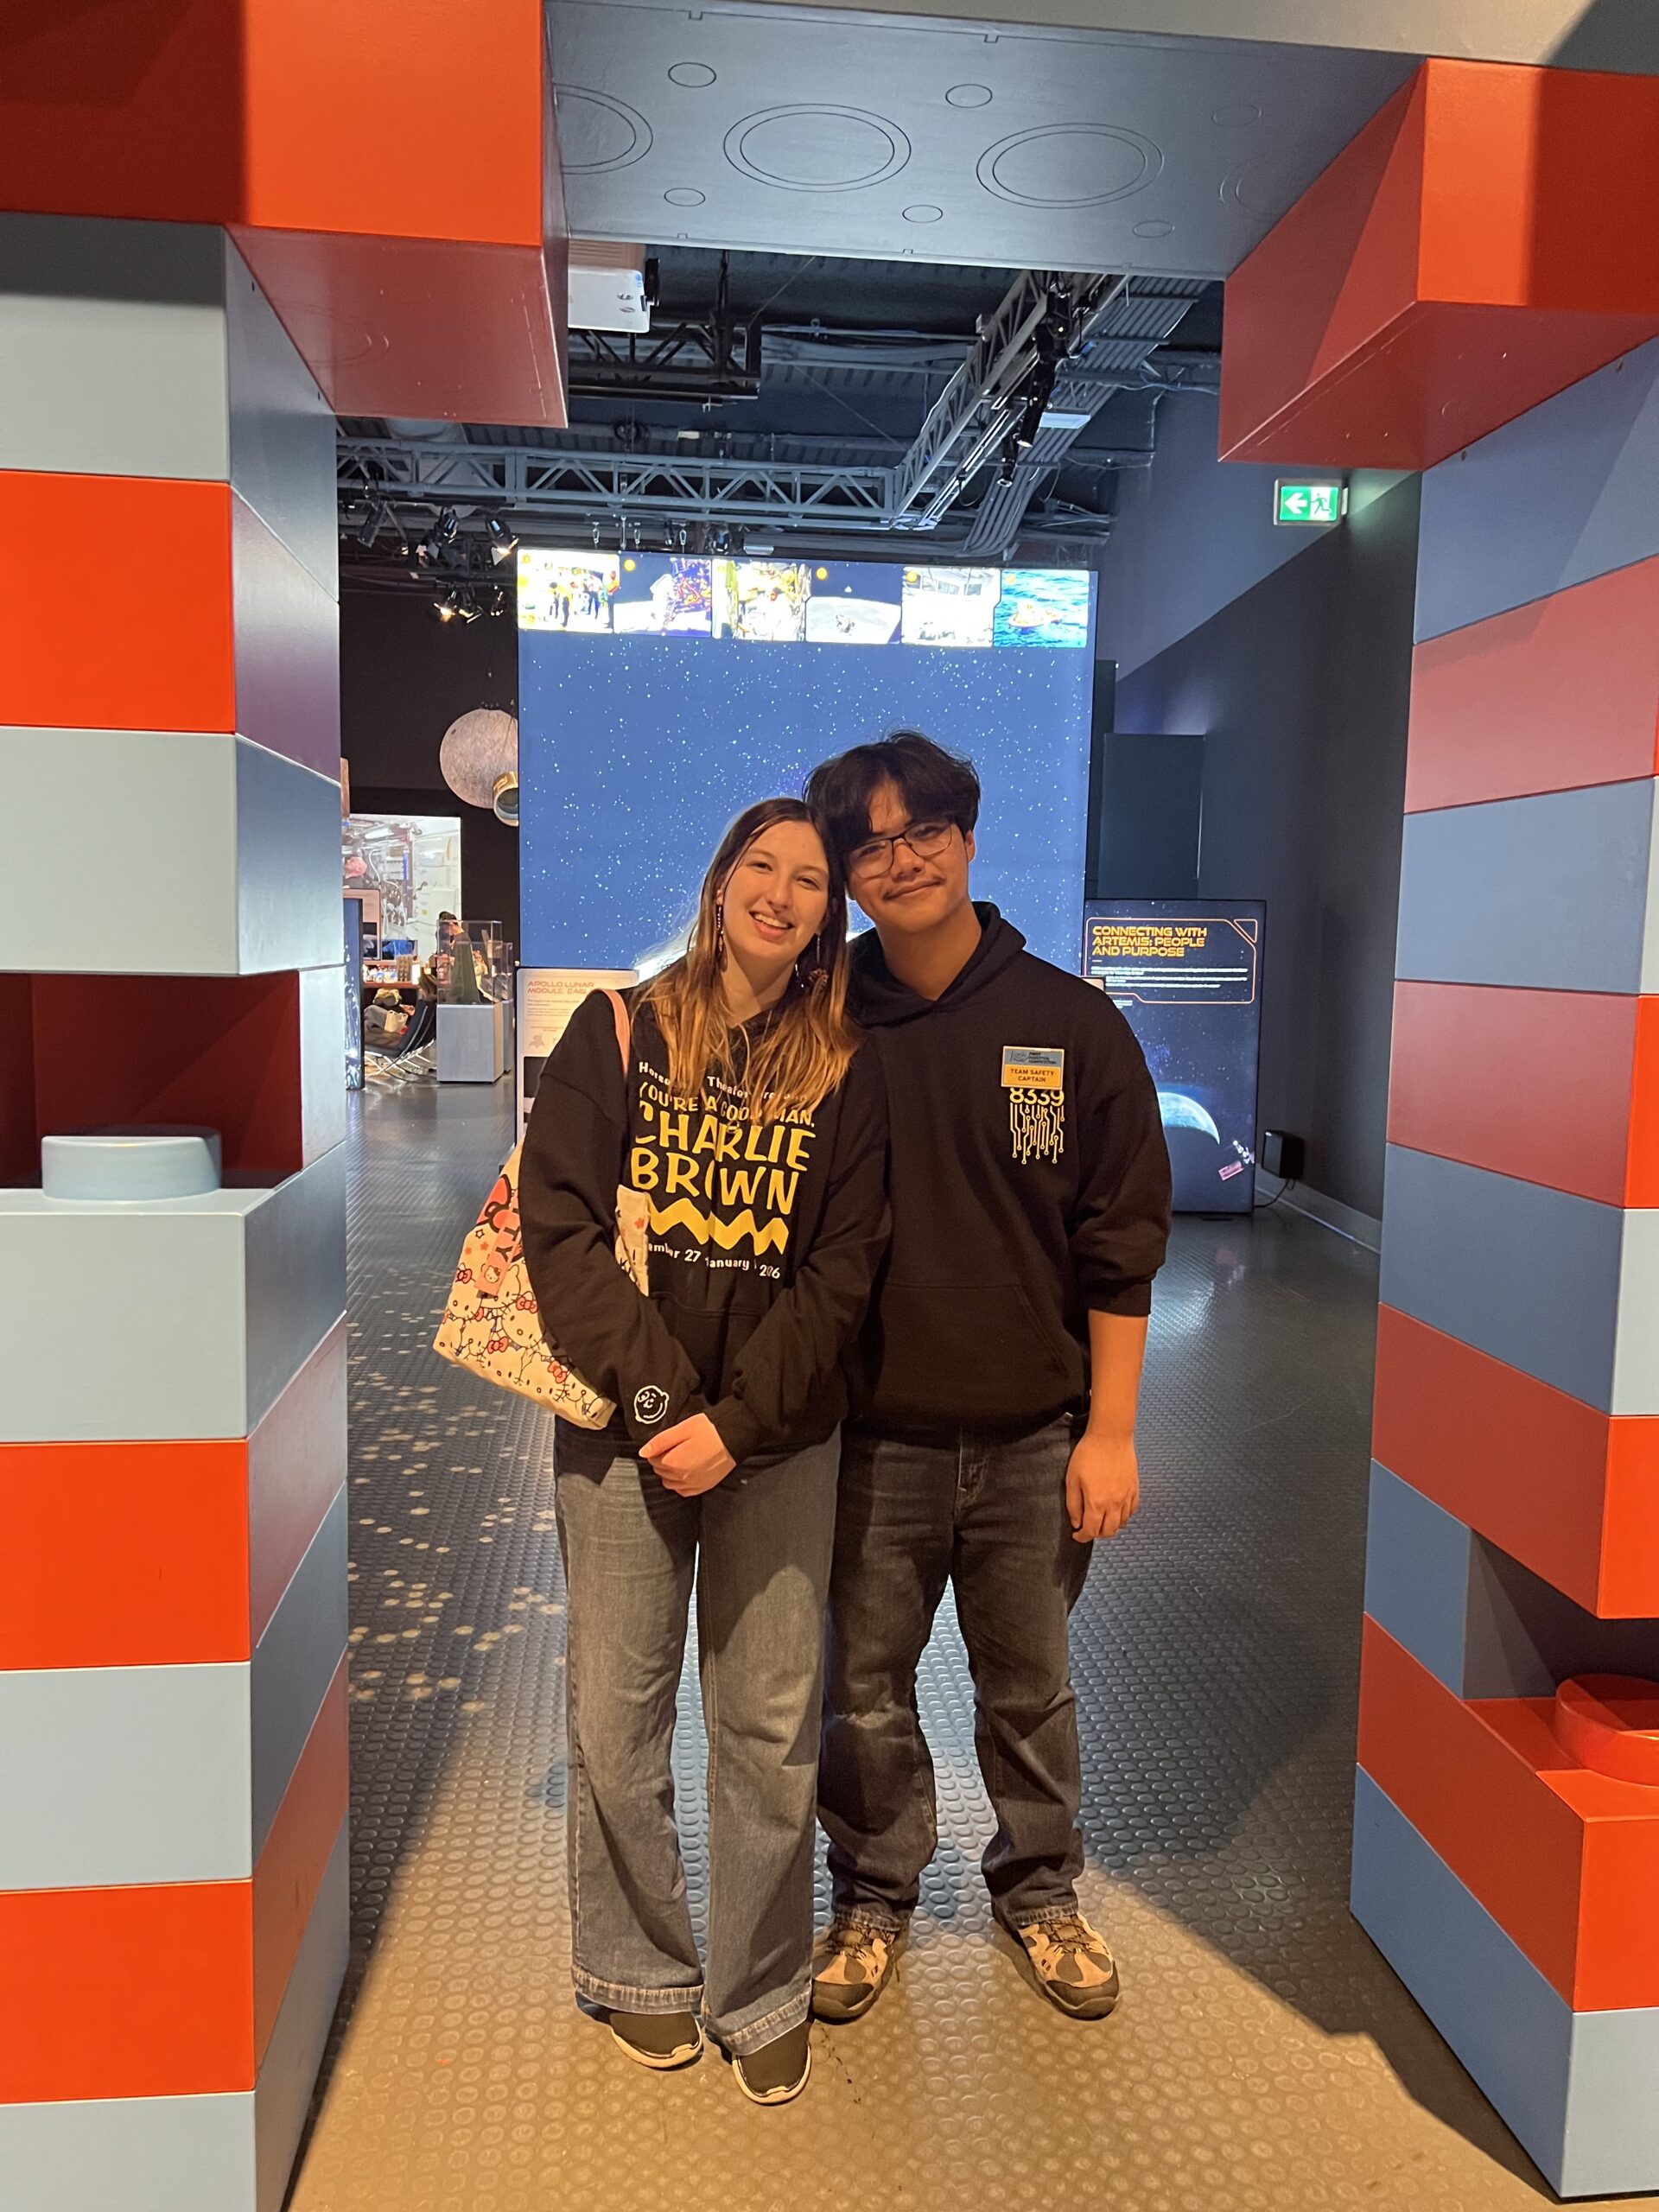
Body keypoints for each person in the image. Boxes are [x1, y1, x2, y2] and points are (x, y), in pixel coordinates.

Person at [518, 798, 888, 2106]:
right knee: (617, 1714)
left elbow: (844, 1273)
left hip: (778, 1443)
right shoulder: (616, 1031)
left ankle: (760, 1987)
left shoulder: (848, 1069)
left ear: (827, 916)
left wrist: (735, 1426)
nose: (780, 894)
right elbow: (560, 1232)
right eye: (760, 867)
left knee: (771, 1725)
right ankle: (638, 1970)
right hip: (623, 1435)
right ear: (722, 880)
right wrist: (663, 1403)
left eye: (809, 880)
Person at [803, 731, 1170, 2026]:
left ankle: (1040, 1890)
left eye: (923, 832)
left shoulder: (1072, 1023)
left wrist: (1110, 1431)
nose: (900, 861)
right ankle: (872, 1896)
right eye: (870, 845)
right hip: (865, 1438)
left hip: (1033, 1439)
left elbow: (1121, 1243)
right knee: (862, 1694)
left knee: (1030, 1688)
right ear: (846, 873)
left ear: (966, 838)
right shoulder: (821, 1020)